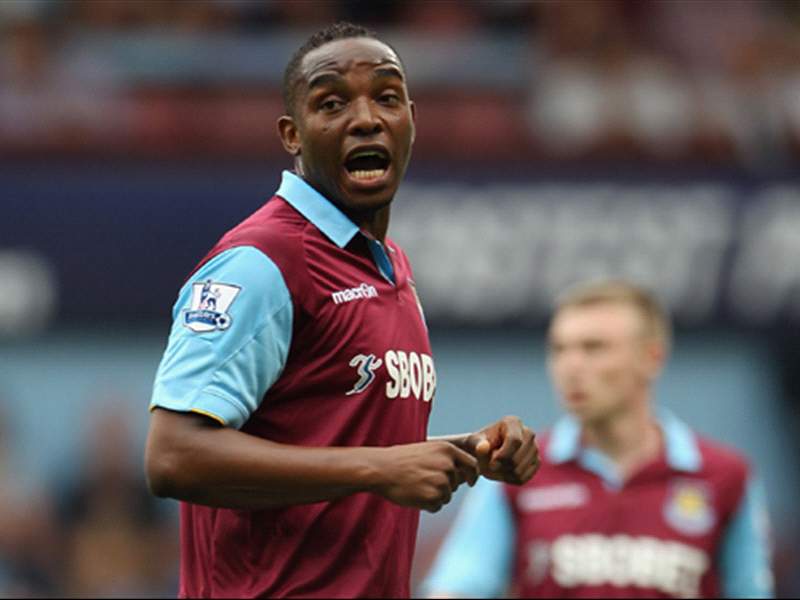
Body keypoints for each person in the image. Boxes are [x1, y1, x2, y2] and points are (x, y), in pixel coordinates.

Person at [144, 21, 540, 599]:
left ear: (410, 118)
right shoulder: (262, 262)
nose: (365, 118)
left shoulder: (388, 265)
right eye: (331, 103)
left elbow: (344, 443)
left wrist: (468, 453)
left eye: (386, 96)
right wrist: (382, 469)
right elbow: (173, 456)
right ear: (293, 134)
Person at [422, 280, 774, 598]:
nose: (571, 366)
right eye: (559, 349)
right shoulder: (518, 468)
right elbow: (456, 588)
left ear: (652, 357)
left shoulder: (724, 476)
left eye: (594, 348)